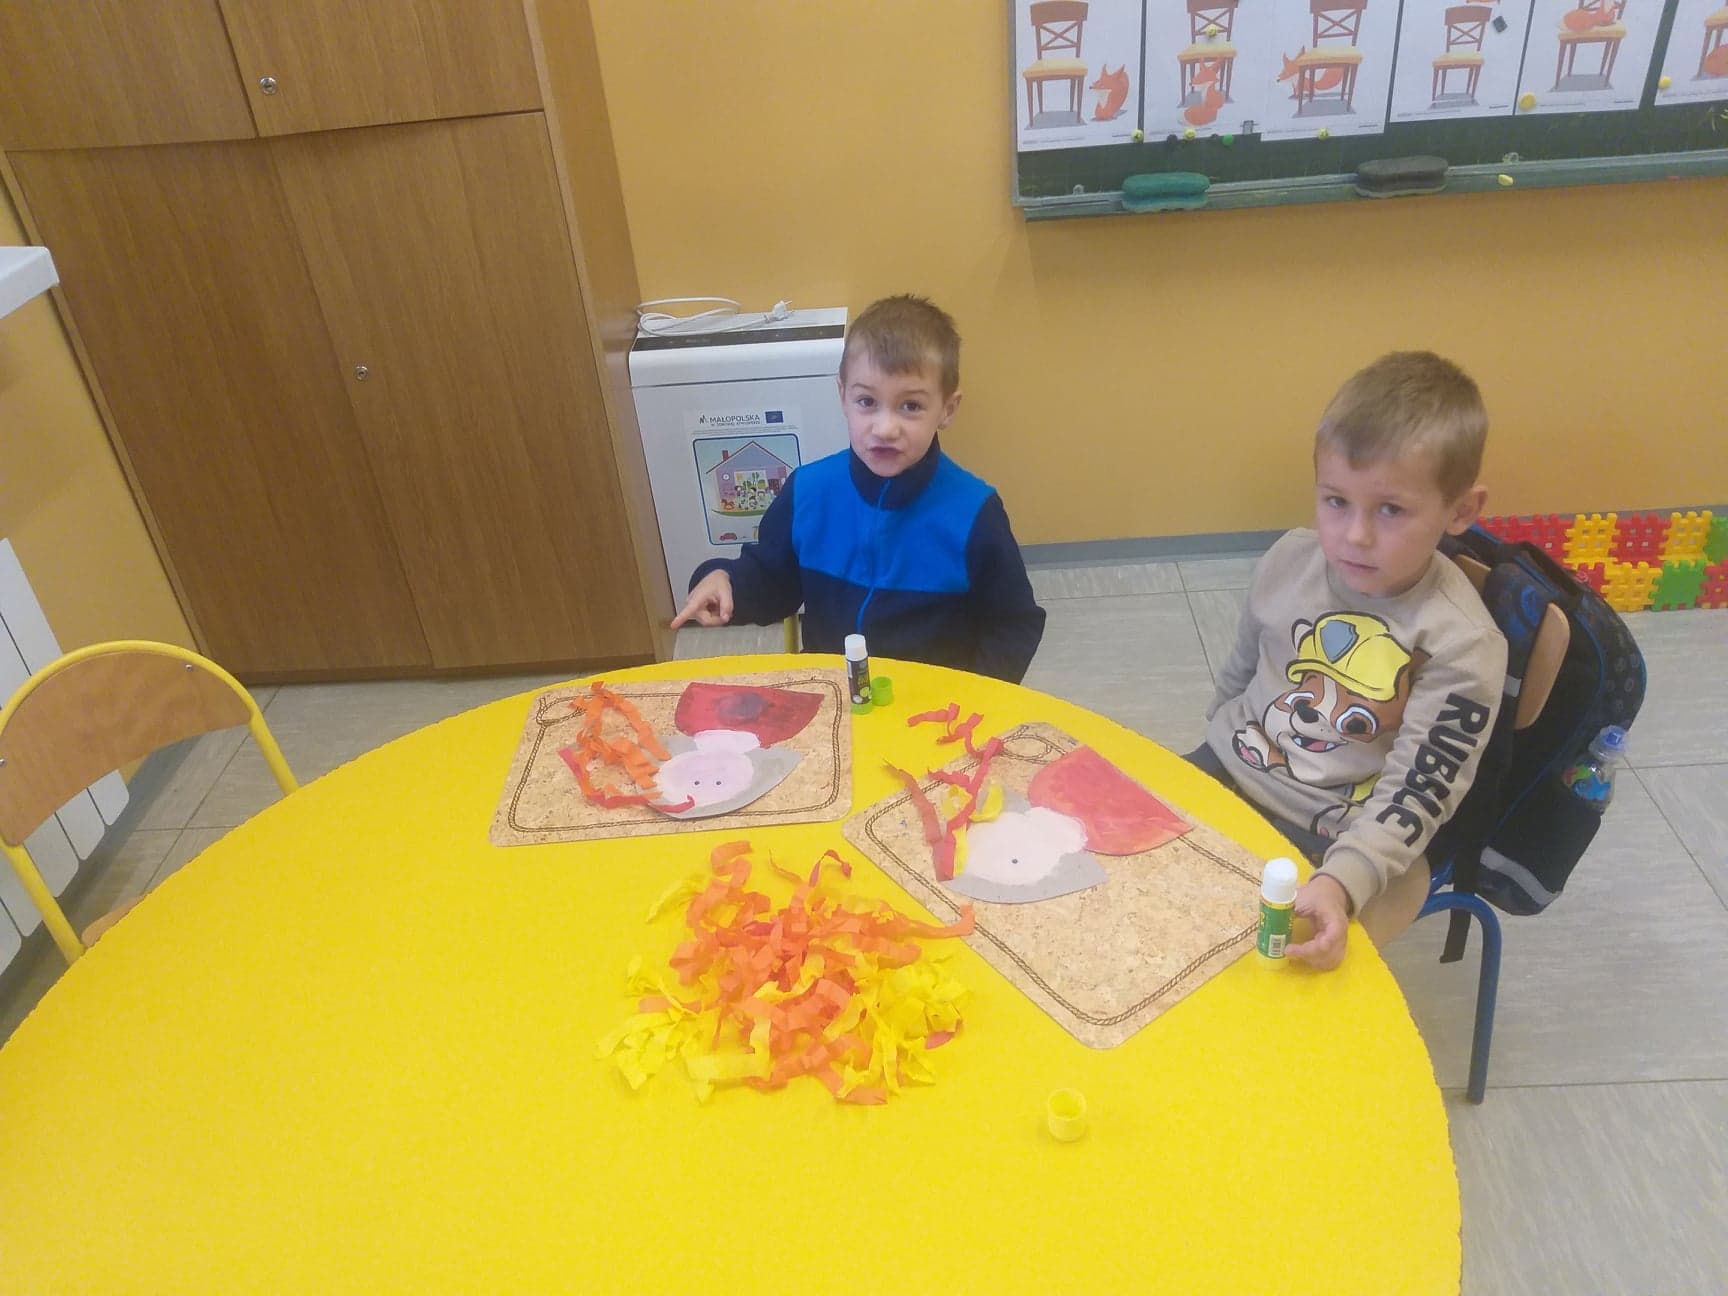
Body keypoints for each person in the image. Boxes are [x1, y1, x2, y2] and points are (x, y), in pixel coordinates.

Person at [1191, 352, 1508, 970]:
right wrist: (1216, 742)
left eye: (1390, 510)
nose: (1355, 535)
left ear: (1461, 511)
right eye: (1336, 501)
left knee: (1248, 976)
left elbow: (1420, 789)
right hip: (1229, 768)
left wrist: (1342, 882)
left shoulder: (1464, 644)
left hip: (1337, 831)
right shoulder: (1290, 558)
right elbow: (1240, 671)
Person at [671, 295, 1046, 682]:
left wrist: (972, 694)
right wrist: (725, 580)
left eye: (911, 406)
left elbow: (1015, 624)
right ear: (843, 395)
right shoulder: (808, 491)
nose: (885, 428)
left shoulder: (974, 511)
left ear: (947, 409)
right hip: (833, 692)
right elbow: (771, 582)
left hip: (931, 704)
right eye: (867, 401)